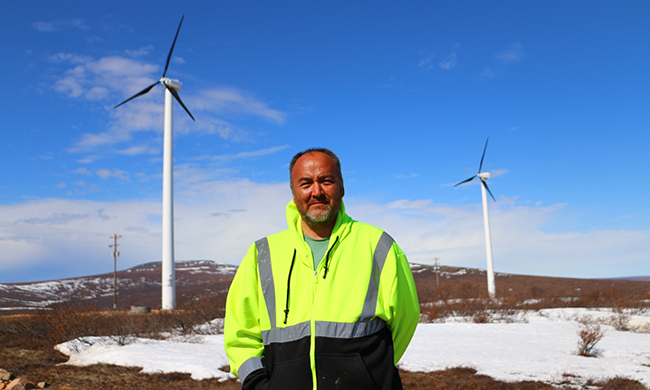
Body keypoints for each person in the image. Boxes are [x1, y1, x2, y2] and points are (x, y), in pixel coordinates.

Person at [224, 148, 420, 390]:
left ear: (341, 187)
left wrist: (367, 374)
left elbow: (405, 320)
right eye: (305, 183)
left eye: (326, 181)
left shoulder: (379, 245)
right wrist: (259, 383)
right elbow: (240, 334)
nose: (316, 192)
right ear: (294, 193)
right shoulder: (262, 254)